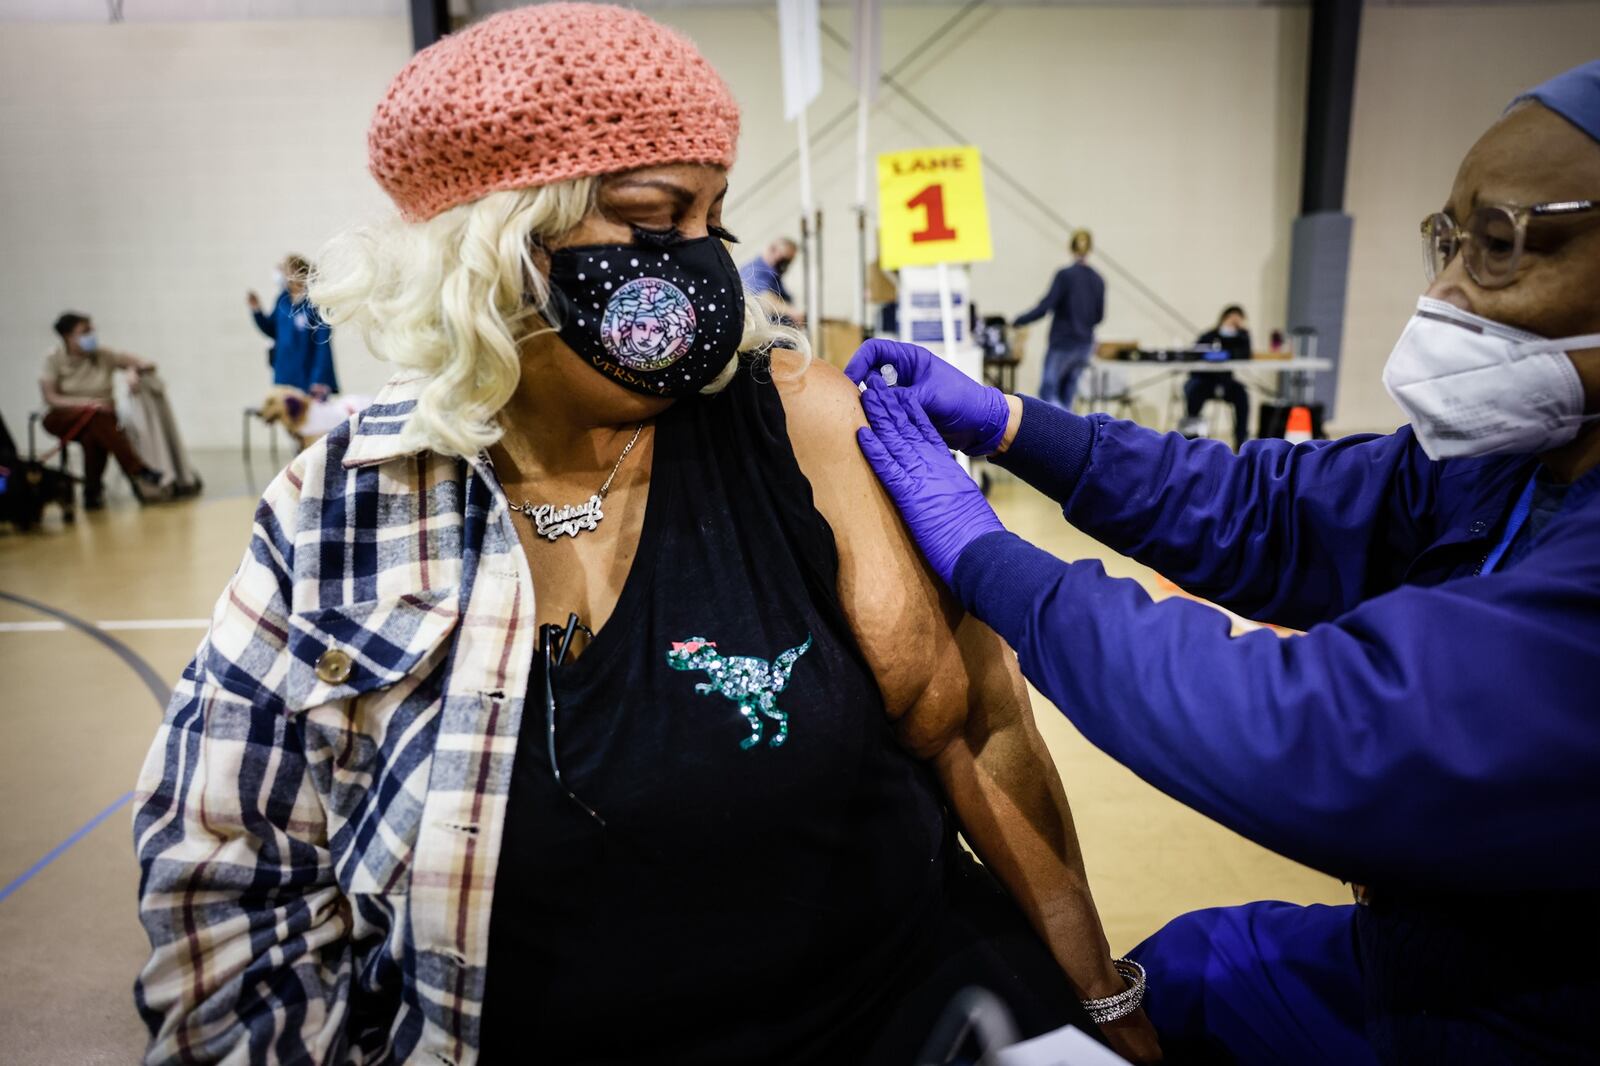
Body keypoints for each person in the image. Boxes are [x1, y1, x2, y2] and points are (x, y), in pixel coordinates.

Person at [131, 8, 1159, 1064]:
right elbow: (232, 865)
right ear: (498, 243)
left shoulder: (805, 426)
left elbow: (982, 729)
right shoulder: (345, 502)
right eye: (653, 217)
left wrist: (1105, 1006)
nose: (706, 266)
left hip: (901, 1016)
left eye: (712, 216)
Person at [848, 59, 1600, 1064]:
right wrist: (1020, 427)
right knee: (1192, 969)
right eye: (1448, 240)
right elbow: (1270, 510)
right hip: (1443, 948)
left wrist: (992, 561)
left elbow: (1328, 728)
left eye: (1502, 245)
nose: (1442, 293)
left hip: (1546, 1014)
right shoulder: (1518, 463)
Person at [38, 312, 170, 508]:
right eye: (84, 331)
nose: (91, 335)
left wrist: (134, 371)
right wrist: (87, 404)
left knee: (93, 437)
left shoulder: (104, 355)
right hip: (63, 416)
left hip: (100, 419)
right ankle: (138, 470)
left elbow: (148, 364)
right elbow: (51, 398)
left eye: (91, 330)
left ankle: (92, 491)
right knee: (100, 416)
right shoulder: (54, 359)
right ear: (68, 336)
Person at [1013, 228, 1104, 411]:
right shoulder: (1098, 279)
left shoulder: (1065, 276)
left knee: (1048, 393)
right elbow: (1098, 317)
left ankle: (1059, 430)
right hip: (1085, 345)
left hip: (1063, 344)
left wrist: (1020, 320)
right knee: (1068, 394)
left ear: (1070, 247)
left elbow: (1046, 306)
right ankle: (1067, 434)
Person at [247, 253, 338, 398]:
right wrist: (257, 311)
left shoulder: (316, 302)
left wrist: (319, 380)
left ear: (296, 272)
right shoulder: (282, 300)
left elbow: (323, 344)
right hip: (284, 376)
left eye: (283, 269)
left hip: (307, 379)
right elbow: (273, 330)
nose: (279, 273)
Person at [1181, 304, 1252, 448]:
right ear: (1223, 318)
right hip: (1204, 380)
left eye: (1237, 321)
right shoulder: (1210, 335)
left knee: (1242, 395)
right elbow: (1196, 352)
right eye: (1231, 319)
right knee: (1193, 391)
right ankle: (1190, 440)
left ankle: (1241, 440)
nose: (1233, 323)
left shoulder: (1242, 337)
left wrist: (1236, 339)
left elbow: (1246, 353)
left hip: (1226, 381)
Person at [739, 235, 804, 324]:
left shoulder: (773, 275)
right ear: (772, 250)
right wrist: (792, 312)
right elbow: (765, 299)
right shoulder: (755, 271)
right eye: (783, 260)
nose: (785, 265)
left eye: (788, 262)